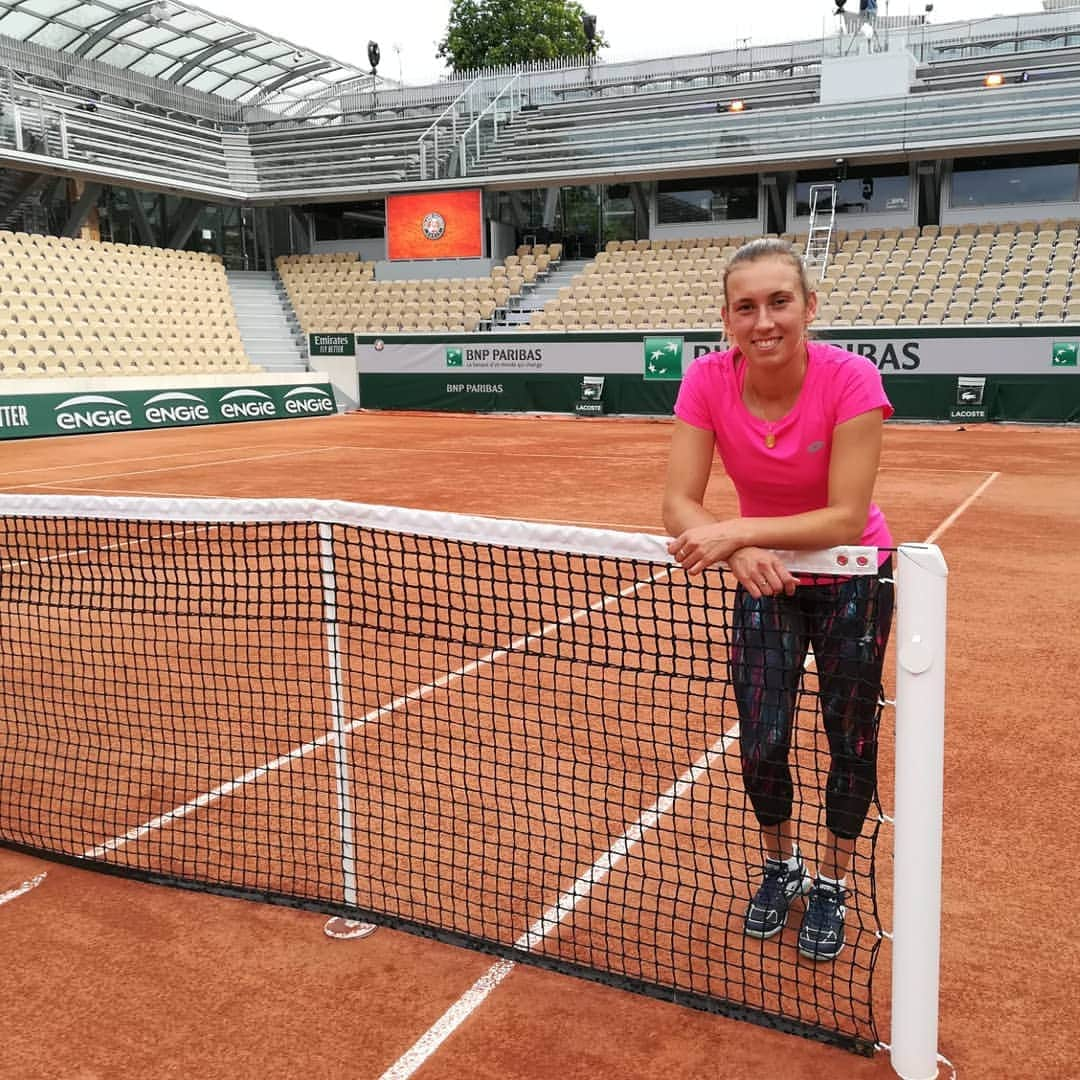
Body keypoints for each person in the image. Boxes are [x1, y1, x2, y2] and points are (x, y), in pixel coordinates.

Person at [661, 238, 895, 962]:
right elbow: (677, 502)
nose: (763, 321)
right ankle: (780, 865)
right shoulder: (705, 379)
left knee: (850, 739)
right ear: (727, 319)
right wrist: (738, 549)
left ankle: (832, 881)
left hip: (854, 576)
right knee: (762, 741)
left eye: (779, 302)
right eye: (746, 307)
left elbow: (845, 518)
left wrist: (733, 532)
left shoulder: (851, 379)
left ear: (809, 307)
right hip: (764, 578)